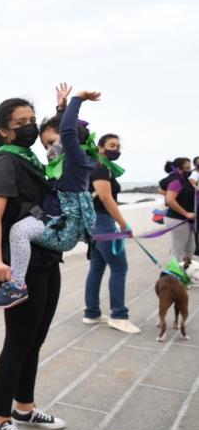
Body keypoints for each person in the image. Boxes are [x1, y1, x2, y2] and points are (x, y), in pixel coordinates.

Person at [0, 98, 66, 430]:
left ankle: (25, 408)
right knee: (17, 345)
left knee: (35, 342)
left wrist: (62, 112)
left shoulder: (33, 160)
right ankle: (0, 421)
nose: (30, 127)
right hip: (21, 269)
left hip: (47, 260)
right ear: (4, 129)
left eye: (32, 120)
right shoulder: (5, 161)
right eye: (22, 122)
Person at [0, 83, 98, 309]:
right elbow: (60, 134)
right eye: (45, 145)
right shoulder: (62, 162)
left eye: (53, 144)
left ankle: (17, 285)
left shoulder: (75, 161)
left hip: (63, 228)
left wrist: (76, 100)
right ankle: (18, 284)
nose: (50, 150)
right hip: (57, 223)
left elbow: (66, 133)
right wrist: (60, 110)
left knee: (19, 231)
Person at [83, 133, 140, 334]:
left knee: (97, 268)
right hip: (103, 222)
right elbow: (106, 199)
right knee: (119, 268)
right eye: (111, 145)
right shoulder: (100, 169)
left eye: (117, 146)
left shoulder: (100, 168)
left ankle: (92, 312)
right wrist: (123, 225)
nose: (115, 149)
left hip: (95, 223)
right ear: (100, 148)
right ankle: (119, 316)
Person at [162, 158, 196, 261]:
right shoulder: (176, 181)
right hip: (178, 219)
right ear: (178, 169)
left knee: (190, 249)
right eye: (187, 168)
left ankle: (185, 273)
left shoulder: (184, 181)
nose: (190, 170)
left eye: (190, 167)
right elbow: (170, 200)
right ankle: (172, 275)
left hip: (186, 220)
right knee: (178, 251)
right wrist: (186, 213)